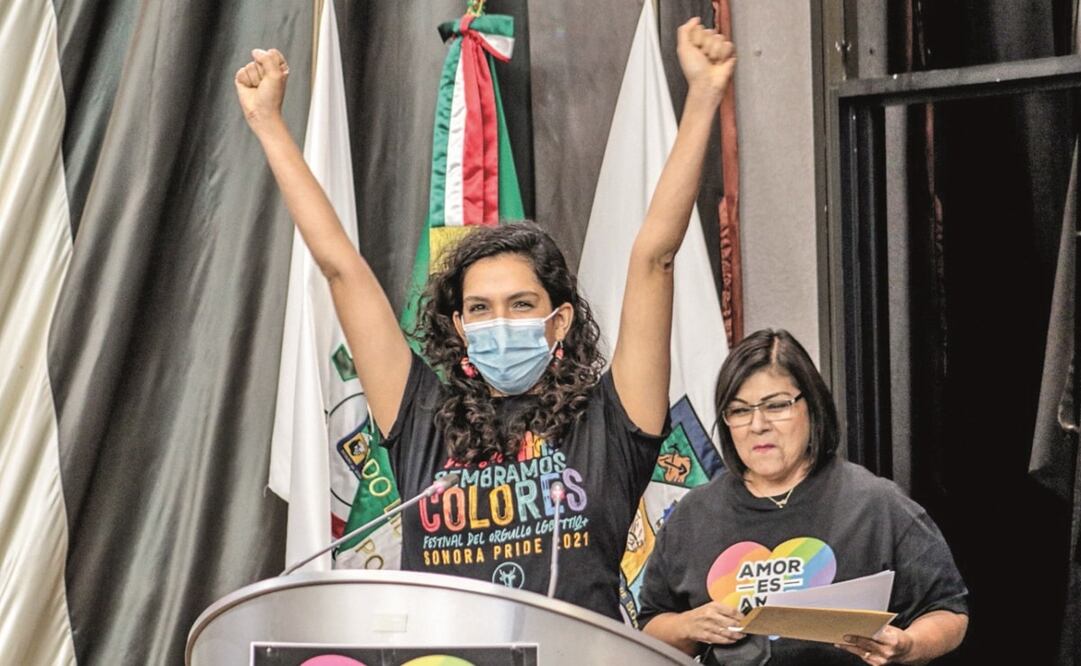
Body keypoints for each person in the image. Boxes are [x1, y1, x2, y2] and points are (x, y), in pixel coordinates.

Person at [234, 19, 735, 620]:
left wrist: (703, 96)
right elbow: (340, 268)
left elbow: (654, 256)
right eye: (479, 309)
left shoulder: (611, 422)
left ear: (559, 321)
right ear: (460, 328)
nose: (500, 321)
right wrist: (268, 125)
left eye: (521, 304)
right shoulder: (423, 417)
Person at [639, 329, 968, 664]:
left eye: (776, 405)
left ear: (812, 406)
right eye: (739, 411)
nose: (758, 424)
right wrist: (686, 626)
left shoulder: (876, 504)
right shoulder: (694, 514)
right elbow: (650, 627)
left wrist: (907, 644)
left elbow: (948, 612)